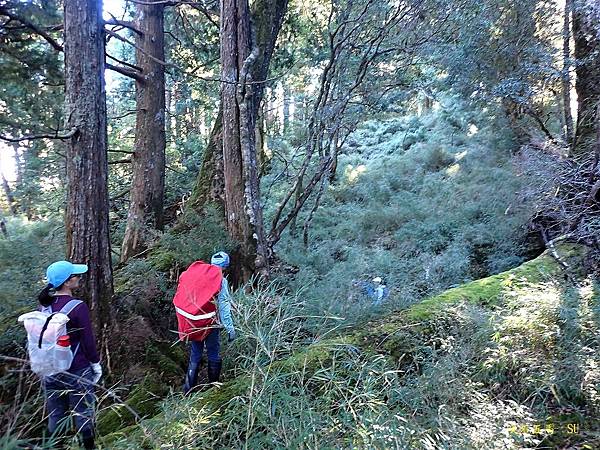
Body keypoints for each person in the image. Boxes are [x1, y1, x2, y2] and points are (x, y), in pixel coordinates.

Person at [37, 261, 102, 450]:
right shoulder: (77, 306)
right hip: (78, 369)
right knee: (83, 414)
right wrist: (95, 365)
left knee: (56, 417)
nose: (79, 278)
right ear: (67, 282)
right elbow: (88, 341)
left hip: (50, 371)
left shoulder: (44, 307)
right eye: (75, 276)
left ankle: (51, 447)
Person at [183, 251, 236, 393]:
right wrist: (230, 329)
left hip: (194, 321)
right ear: (224, 267)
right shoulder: (221, 281)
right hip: (211, 323)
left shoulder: (199, 277)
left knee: (195, 354)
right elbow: (224, 306)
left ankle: (187, 390)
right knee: (213, 352)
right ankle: (213, 388)